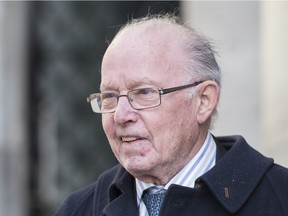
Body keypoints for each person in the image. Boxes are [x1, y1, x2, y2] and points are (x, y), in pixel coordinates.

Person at [54, 13, 288, 216]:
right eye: (110, 96)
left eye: (144, 92)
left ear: (203, 101)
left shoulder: (279, 198)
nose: (120, 115)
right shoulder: (78, 209)